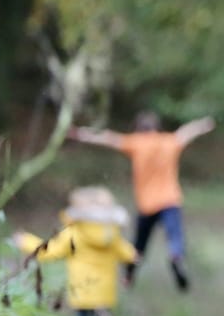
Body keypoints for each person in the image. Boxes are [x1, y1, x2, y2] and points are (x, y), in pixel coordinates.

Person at [67, 112, 214, 292]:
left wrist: (80, 133)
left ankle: (129, 275)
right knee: (175, 236)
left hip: (147, 205)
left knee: (139, 244)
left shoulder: (136, 143)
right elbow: (186, 132)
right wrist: (203, 124)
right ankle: (176, 257)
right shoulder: (169, 141)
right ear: (157, 128)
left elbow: (107, 138)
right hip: (170, 200)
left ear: (138, 129)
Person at [12, 186, 140, 316]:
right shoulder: (111, 234)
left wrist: (25, 241)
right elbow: (129, 254)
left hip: (83, 288)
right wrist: (134, 256)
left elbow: (49, 250)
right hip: (105, 290)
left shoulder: (74, 232)